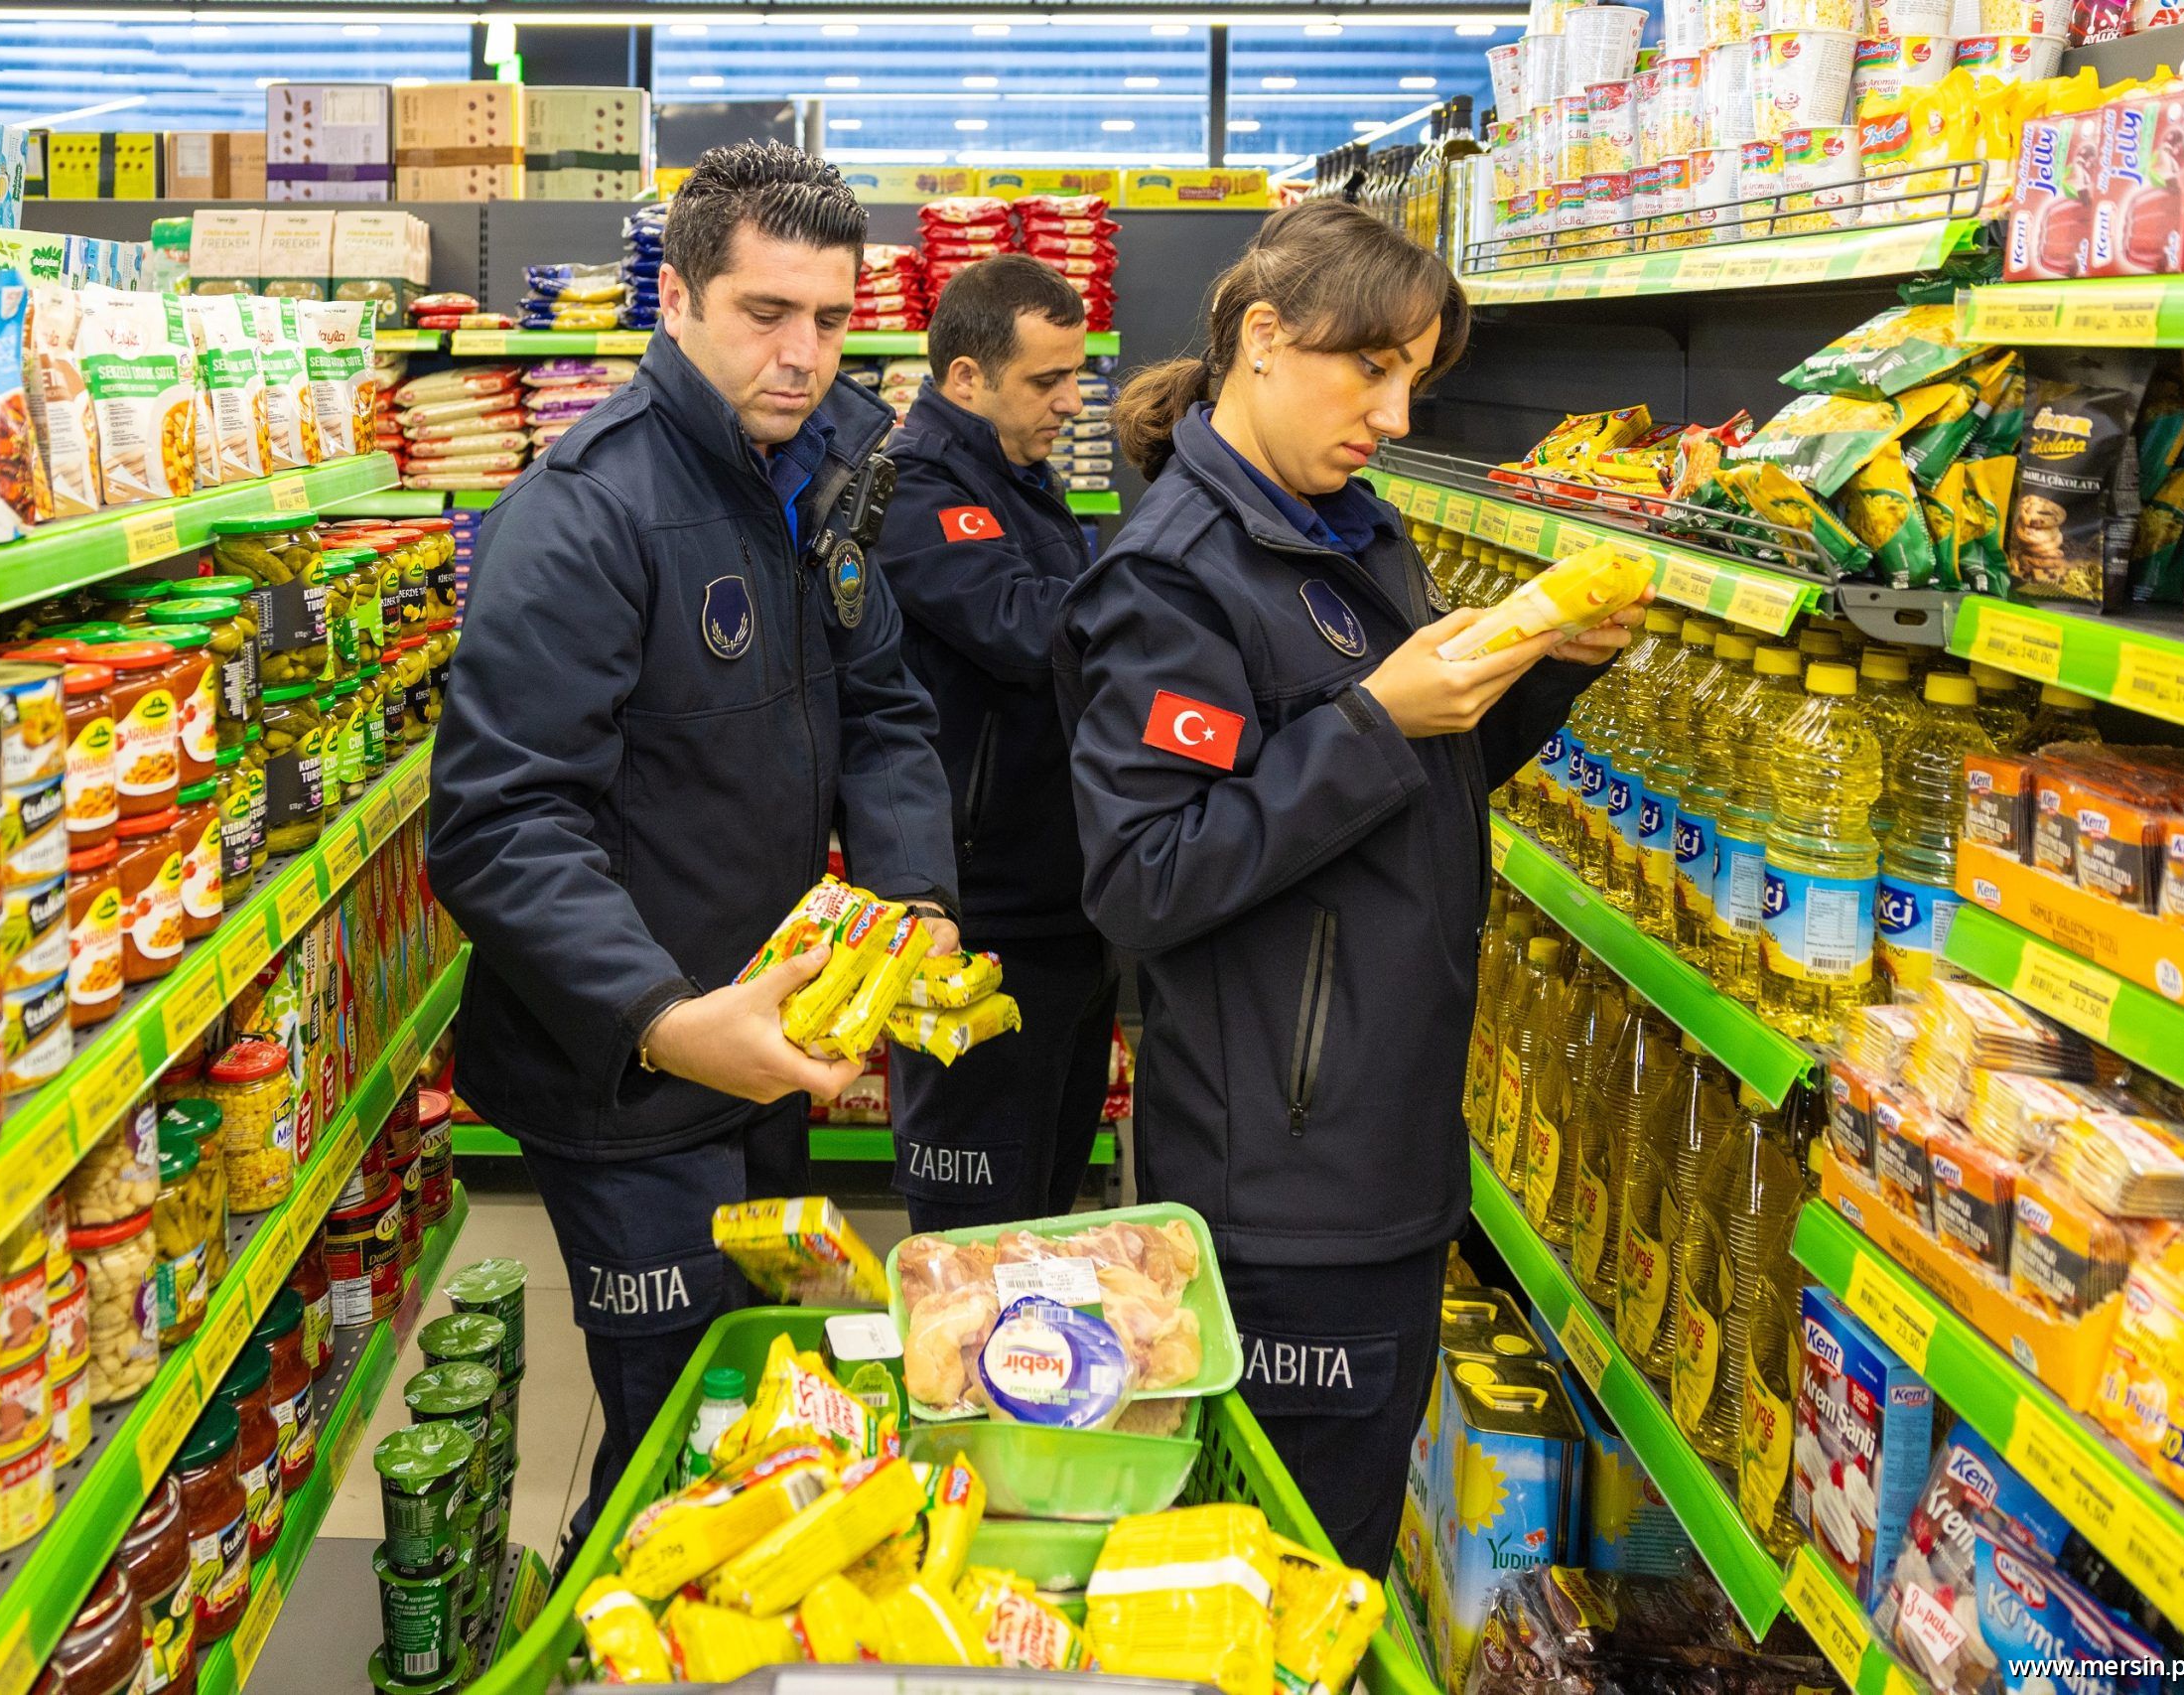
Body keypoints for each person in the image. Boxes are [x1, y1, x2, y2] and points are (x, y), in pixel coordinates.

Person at [1053, 198, 1644, 1578]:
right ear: (1265, 339)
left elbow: (1408, 791)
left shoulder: (1346, 526)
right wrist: (1375, 715)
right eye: (1368, 369)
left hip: (1381, 1138)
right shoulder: (1170, 582)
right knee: (1298, 1572)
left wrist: (1545, 662)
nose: (1393, 410)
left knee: (1338, 1542)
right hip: (1284, 1177)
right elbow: (1147, 873)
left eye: (1413, 379)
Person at [427, 141, 960, 1551]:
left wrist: (915, 896)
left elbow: (888, 702)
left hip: (765, 1036)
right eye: (763, 314)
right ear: (676, 299)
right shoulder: (587, 510)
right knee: (669, 1428)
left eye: (831, 320)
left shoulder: (832, 466)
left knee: (758, 1413)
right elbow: (498, 822)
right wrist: (664, 1016)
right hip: (624, 1064)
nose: (801, 355)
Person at [876, 255, 1118, 1231]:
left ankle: (1027, 1378)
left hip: (1063, 906)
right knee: (973, 1222)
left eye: (1077, 374)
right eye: (1047, 381)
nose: (1072, 400)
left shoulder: (1018, 475)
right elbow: (1032, 632)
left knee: (1046, 1201)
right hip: (981, 923)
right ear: (965, 378)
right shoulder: (918, 491)